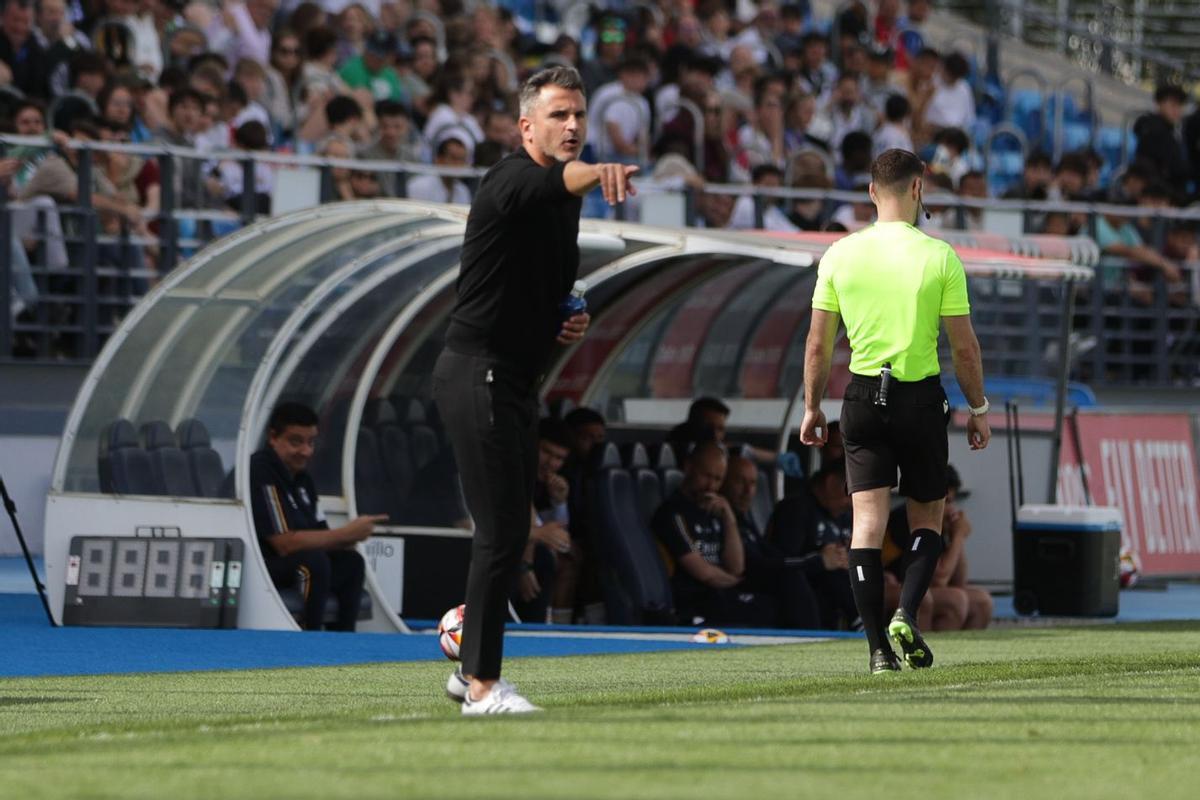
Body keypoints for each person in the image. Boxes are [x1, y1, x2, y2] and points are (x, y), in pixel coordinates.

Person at [433, 65, 637, 715]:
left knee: (508, 532)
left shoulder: (559, 195)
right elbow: (557, 179)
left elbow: (539, 284)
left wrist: (564, 316)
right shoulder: (514, 178)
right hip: (476, 372)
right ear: (527, 126)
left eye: (578, 114)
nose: (572, 125)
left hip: (514, 377)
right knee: (500, 533)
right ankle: (483, 687)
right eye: (558, 115)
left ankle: (470, 673)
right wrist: (597, 173)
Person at [800, 148, 991, 674]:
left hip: (861, 396)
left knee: (866, 523)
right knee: (927, 515)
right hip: (919, 397)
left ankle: (877, 651)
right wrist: (978, 407)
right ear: (918, 187)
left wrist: (813, 407)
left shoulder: (839, 254)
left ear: (870, 193)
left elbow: (817, 345)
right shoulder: (939, 256)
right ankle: (906, 612)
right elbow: (965, 348)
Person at [248, 402, 385, 632]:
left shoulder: (303, 479)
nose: (306, 451)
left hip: (296, 561)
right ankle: (309, 640)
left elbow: (323, 536)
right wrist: (343, 534)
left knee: (351, 563)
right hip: (262, 565)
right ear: (273, 437)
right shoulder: (262, 471)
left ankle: (342, 640)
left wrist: (350, 536)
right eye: (296, 442)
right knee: (313, 562)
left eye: (311, 442)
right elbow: (283, 543)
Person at [653, 441, 775, 627]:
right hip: (695, 599)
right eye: (706, 476)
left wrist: (729, 519)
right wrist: (736, 581)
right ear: (688, 468)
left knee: (773, 602)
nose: (711, 485)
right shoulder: (673, 513)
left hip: (720, 593)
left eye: (718, 479)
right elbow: (705, 573)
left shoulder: (714, 509)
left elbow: (736, 566)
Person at [721, 454, 823, 629]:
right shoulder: (721, 515)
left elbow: (769, 553)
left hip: (746, 584)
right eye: (740, 481)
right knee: (788, 581)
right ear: (724, 482)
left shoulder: (743, 519)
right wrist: (813, 561)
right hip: (724, 592)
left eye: (752, 483)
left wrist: (812, 561)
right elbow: (749, 566)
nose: (747, 491)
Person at [765, 460, 861, 630]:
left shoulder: (843, 515)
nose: (851, 503)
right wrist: (820, 560)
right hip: (798, 597)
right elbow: (779, 566)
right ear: (831, 482)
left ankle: (866, 624)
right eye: (849, 493)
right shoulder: (795, 509)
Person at [511, 417, 576, 624]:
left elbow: (558, 538)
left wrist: (559, 502)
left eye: (559, 458)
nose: (551, 463)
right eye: (546, 452)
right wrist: (525, 566)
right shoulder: (514, 473)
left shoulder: (545, 484)